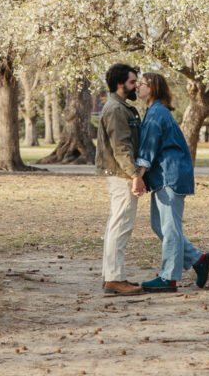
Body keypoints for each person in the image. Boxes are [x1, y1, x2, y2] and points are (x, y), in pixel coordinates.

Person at [134, 72, 209, 292]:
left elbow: (148, 149)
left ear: (152, 88)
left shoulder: (157, 113)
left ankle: (169, 278)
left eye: (142, 84)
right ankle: (198, 259)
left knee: (169, 228)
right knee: (159, 225)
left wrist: (138, 177)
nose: (138, 87)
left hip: (170, 176)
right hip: (164, 176)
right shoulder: (155, 111)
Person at [95, 63, 146, 295]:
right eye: (132, 82)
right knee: (121, 225)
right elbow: (121, 147)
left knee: (116, 225)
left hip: (120, 173)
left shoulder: (120, 107)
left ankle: (111, 276)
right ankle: (114, 279)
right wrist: (135, 175)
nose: (136, 86)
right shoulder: (116, 109)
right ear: (119, 83)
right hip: (121, 174)